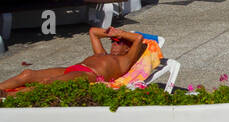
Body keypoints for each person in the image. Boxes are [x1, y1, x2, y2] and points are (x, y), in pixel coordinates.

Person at [0, 27, 146, 94]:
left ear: (128, 48)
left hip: (89, 75)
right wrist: (111, 33)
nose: (114, 44)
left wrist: (121, 33)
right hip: (73, 68)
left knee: (51, 83)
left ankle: (7, 96)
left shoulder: (125, 61)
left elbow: (138, 39)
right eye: (112, 42)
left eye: (119, 42)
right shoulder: (102, 54)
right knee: (28, 73)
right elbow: (93, 32)